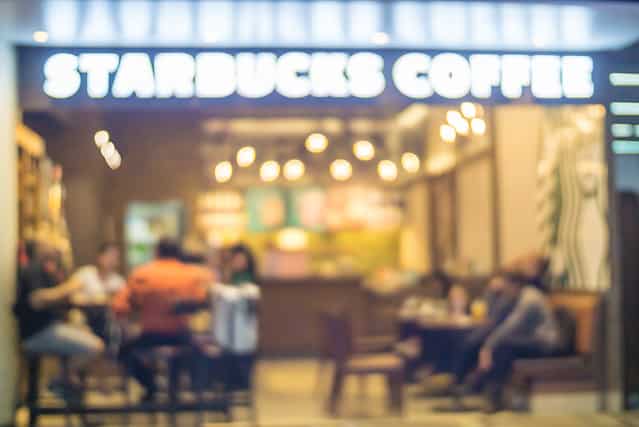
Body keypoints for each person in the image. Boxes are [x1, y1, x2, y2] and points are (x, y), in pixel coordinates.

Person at [112, 238, 210, 402]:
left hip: (150, 335)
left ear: (157, 252)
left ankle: (150, 385)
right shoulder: (192, 275)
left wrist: (129, 325)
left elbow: (119, 306)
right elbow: (201, 302)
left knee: (121, 352)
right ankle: (175, 390)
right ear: (179, 253)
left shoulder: (141, 273)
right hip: (181, 335)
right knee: (194, 350)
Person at [453, 273, 559, 412]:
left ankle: (492, 398)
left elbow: (511, 325)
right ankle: (476, 388)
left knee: (502, 348)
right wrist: (491, 292)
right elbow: (494, 316)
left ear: (515, 285)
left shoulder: (530, 299)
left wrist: (488, 346)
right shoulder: (517, 295)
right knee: (490, 344)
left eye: (506, 287)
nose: (504, 291)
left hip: (544, 343)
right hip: (529, 339)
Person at [13, 244, 104, 395]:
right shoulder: (33, 270)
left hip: (50, 328)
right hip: (38, 332)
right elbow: (36, 300)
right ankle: (58, 381)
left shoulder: (49, 272)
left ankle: (68, 385)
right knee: (95, 346)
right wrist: (70, 288)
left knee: (86, 332)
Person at [211, 244, 260, 390]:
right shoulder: (228, 277)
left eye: (241, 259)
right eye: (235, 259)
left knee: (240, 355)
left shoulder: (249, 280)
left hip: (242, 331)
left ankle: (237, 383)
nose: (237, 262)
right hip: (228, 330)